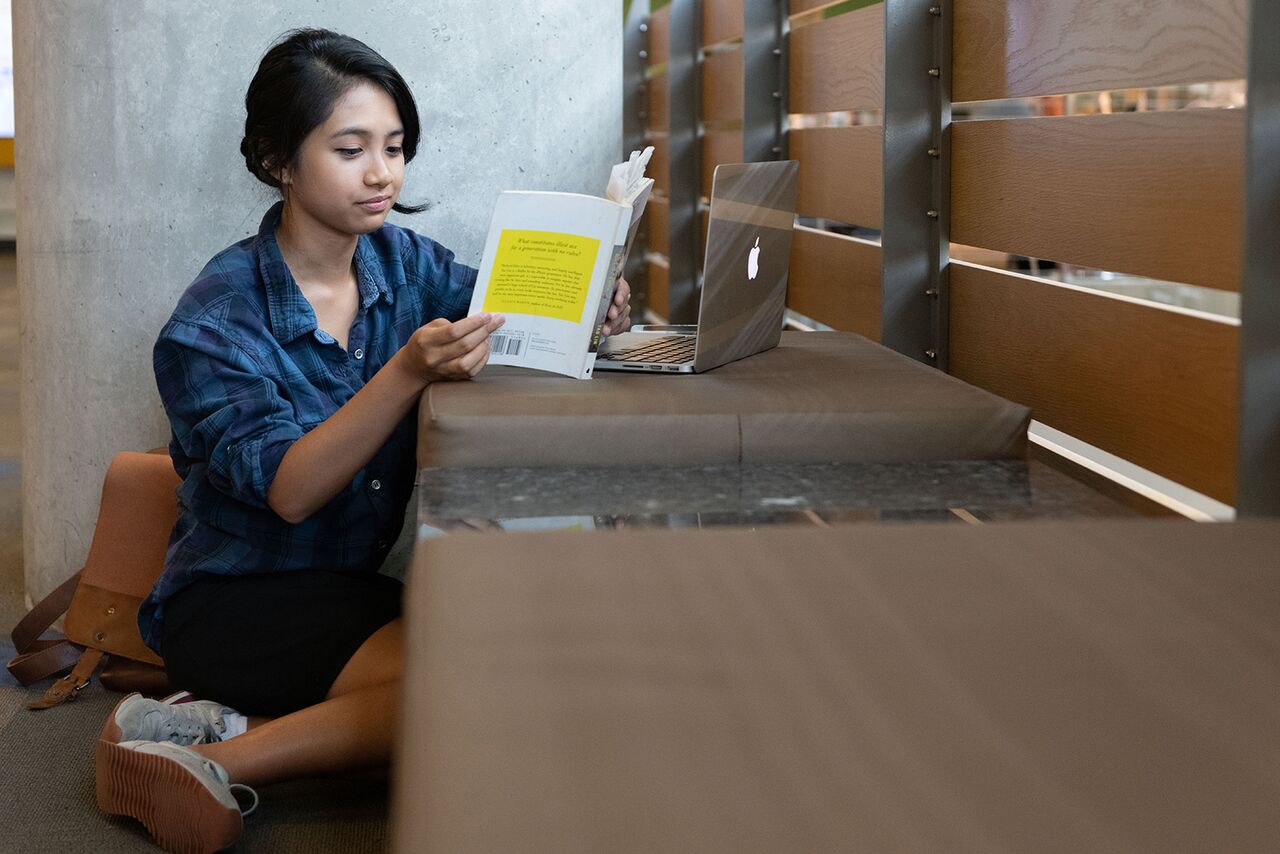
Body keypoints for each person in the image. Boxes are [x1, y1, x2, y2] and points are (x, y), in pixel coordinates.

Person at [94, 28, 631, 853]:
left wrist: (591, 305)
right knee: (462, 701)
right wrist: (408, 373)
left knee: (500, 693)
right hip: (234, 604)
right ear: (279, 160)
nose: (383, 173)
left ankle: (207, 729)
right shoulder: (213, 322)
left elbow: (503, 310)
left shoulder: (404, 264)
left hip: (342, 596)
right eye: (351, 149)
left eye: (395, 146)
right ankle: (218, 759)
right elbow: (292, 488)